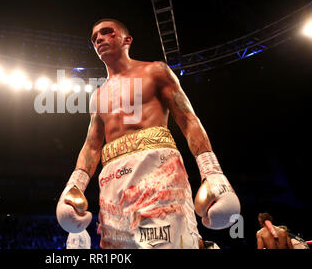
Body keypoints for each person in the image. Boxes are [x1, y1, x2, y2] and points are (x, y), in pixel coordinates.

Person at [55, 19, 240, 249]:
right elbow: (92, 146)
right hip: (112, 181)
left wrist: (212, 172)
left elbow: (188, 120)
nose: (99, 39)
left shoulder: (156, 71)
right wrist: (74, 186)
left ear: (127, 39)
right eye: (94, 38)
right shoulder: (98, 96)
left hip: (157, 169)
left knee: (167, 245)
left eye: (106, 32)